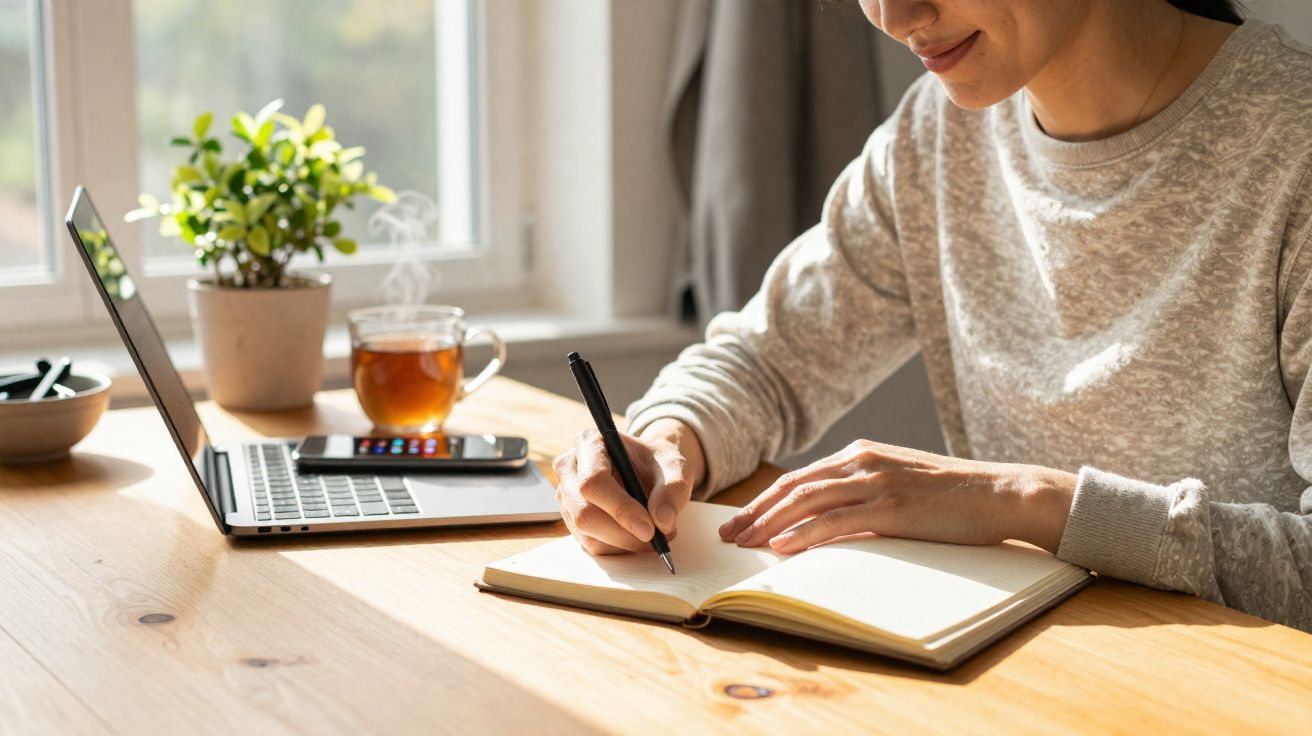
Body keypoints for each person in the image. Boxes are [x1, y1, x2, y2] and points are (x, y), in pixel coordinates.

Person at [552, 0, 1312, 631]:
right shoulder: (938, 136)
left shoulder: (1294, 151)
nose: (893, 15)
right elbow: (769, 362)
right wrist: (661, 442)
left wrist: (1022, 502)